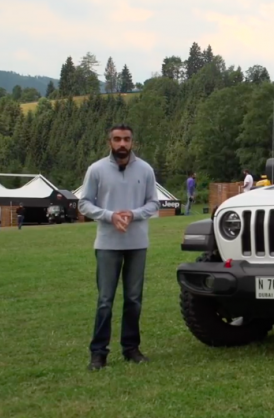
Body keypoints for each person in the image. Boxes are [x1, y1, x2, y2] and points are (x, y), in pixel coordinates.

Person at [78, 123, 160, 371]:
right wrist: (110, 216)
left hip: (137, 243)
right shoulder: (96, 170)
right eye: (117, 139)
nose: (122, 144)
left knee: (134, 299)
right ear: (109, 142)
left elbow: (154, 203)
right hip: (107, 244)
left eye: (126, 139)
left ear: (132, 142)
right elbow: (84, 204)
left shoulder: (145, 169)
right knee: (105, 300)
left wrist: (132, 214)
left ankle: (131, 348)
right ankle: (98, 353)